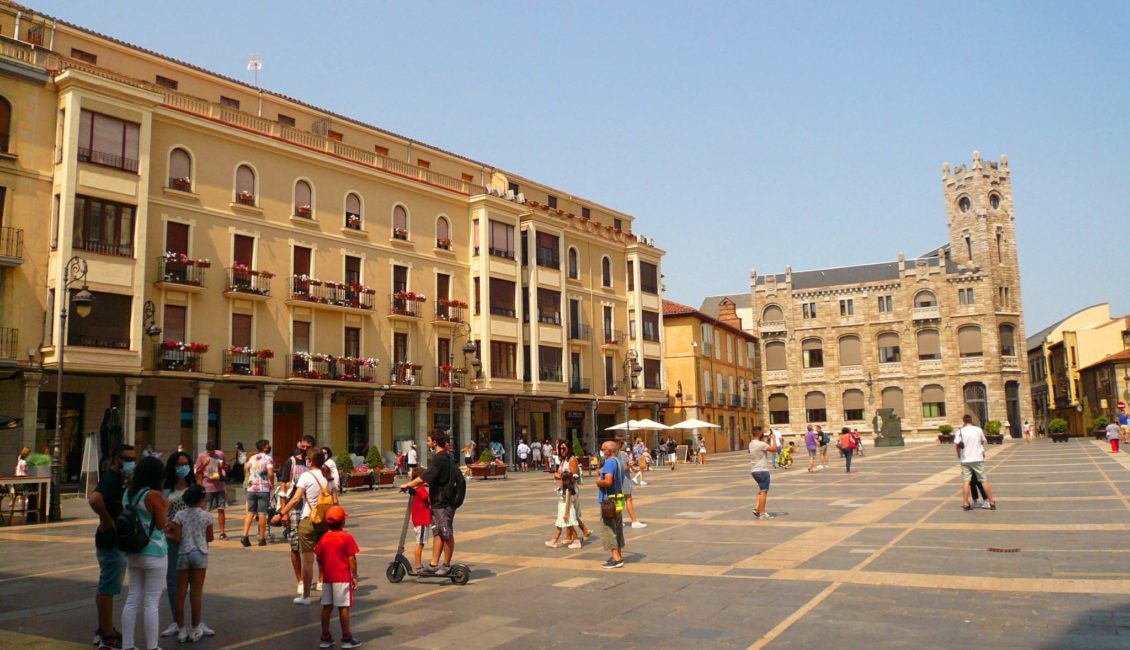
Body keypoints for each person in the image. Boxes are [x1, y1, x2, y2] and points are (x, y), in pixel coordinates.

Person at [160, 451, 212, 640]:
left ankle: (198, 622)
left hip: (194, 541)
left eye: (185, 463)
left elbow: (203, 512)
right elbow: (161, 512)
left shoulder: (194, 486)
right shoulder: (166, 489)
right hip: (173, 541)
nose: (182, 467)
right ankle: (177, 621)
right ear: (172, 467)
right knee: (174, 582)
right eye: (178, 464)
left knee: (195, 587)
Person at [119, 456, 169, 650]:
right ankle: (152, 646)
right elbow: (162, 523)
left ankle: (128, 645)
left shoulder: (128, 494)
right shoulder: (153, 496)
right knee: (151, 602)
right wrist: (165, 506)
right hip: (154, 550)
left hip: (133, 550)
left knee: (132, 597)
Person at [89, 444, 135, 650]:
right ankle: (107, 633)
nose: (131, 462)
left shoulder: (120, 480)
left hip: (115, 540)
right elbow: (95, 498)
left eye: (134, 459)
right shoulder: (110, 478)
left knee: (108, 585)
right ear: (117, 459)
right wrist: (107, 520)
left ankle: (105, 628)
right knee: (108, 586)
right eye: (127, 459)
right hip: (110, 541)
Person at [279, 450, 338, 605]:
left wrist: (281, 513)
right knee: (325, 557)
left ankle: (305, 596)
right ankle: (326, 591)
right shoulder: (329, 478)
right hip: (326, 521)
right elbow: (335, 502)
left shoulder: (306, 476)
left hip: (308, 520)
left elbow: (296, 498)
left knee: (307, 560)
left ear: (310, 461)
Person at [401, 431, 458, 575]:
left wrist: (408, 485)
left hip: (443, 502)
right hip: (438, 502)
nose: (426, 443)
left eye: (428, 440)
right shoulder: (442, 458)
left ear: (434, 442)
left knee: (446, 533)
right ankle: (433, 564)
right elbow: (436, 479)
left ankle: (446, 564)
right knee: (438, 532)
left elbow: (425, 477)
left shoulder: (440, 459)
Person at [169, 484, 213, 643]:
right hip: (200, 554)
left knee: (180, 593)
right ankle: (195, 628)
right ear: (202, 499)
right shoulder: (207, 516)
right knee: (196, 593)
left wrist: (167, 533)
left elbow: (176, 538)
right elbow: (210, 537)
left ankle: (181, 630)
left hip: (183, 553)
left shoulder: (179, 515)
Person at [315, 505, 361, 649]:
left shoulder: (323, 539)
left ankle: (325, 637)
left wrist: (322, 572)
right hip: (342, 577)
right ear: (343, 522)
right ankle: (346, 638)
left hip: (328, 577)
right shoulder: (347, 537)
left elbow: (319, 557)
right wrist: (354, 576)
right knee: (343, 607)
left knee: (326, 607)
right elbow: (352, 558)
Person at [279, 436, 313, 595]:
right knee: (294, 544)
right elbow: (284, 485)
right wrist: (283, 510)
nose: (304, 449)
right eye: (303, 446)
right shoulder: (291, 462)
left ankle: (319, 578)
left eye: (308, 447)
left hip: (312, 507)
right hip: (295, 506)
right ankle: (300, 580)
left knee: (316, 545)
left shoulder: (314, 463)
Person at [595, 440, 626, 568]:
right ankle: (619, 554)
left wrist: (598, 482)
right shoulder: (619, 462)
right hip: (618, 499)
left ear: (608, 451)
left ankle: (616, 558)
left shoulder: (609, 463)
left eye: (603, 449)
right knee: (617, 528)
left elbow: (608, 482)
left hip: (608, 501)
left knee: (608, 529)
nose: (601, 451)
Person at [956, 415, 996, 511]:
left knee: (966, 481)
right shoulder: (978, 430)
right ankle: (991, 502)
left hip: (965, 459)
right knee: (983, 480)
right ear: (971, 420)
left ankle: (966, 504)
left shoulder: (960, 431)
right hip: (977, 458)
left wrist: (958, 455)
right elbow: (982, 441)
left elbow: (957, 445)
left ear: (964, 421)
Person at [241, 439, 275, 548]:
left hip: (251, 488)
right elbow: (270, 473)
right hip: (263, 488)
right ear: (264, 447)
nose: (269, 447)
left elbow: (248, 470)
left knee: (250, 512)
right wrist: (272, 483)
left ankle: (245, 536)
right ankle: (262, 538)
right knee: (262, 513)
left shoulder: (252, 457)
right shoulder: (268, 458)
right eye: (267, 445)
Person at [194, 441, 228, 540]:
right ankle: (204, 531)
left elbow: (227, 466)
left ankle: (222, 532)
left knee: (221, 509)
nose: (212, 454)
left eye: (213, 452)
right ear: (207, 450)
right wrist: (204, 464)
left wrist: (223, 467)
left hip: (219, 485)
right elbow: (197, 471)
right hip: (207, 486)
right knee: (206, 510)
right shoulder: (201, 456)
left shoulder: (220, 454)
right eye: (210, 452)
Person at [546, 461, 582, 549]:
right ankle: (554, 541)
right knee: (562, 525)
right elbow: (559, 490)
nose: (560, 481)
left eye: (562, 479)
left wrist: (566, 514)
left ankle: (576, 541)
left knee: (569, 526)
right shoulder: (563, 489)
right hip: (562, 509)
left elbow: (568, 502)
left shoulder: (568, 491)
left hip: (567, 510)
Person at [616, 439, 646, 529]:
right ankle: (634, 521)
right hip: (624, 479)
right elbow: (625, 467)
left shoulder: (613, 455)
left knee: (618, 500)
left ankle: (619, 521)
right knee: (628, 499)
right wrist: (630, 465)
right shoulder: (622, 454)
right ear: (621, 445)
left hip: (617, 479)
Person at [748, 429, 778, 520]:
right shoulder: (761, 444)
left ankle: (757, 508)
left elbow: (764, 447)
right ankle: (762, 513)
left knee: (761, 490)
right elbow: (774, 449)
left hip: (754, 470)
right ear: (760, 434)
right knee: (764, 492)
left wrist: (768, 440)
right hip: (762, 470)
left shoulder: (751, 443)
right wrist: (774, 439)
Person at [408, 468, 432, 572]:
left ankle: (419, 564)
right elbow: (429, 500)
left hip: (418, 520)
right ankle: (418, 565)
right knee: (420, 543)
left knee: (420, 542)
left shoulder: (416, 489)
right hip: (422, 520)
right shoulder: (421, 490)